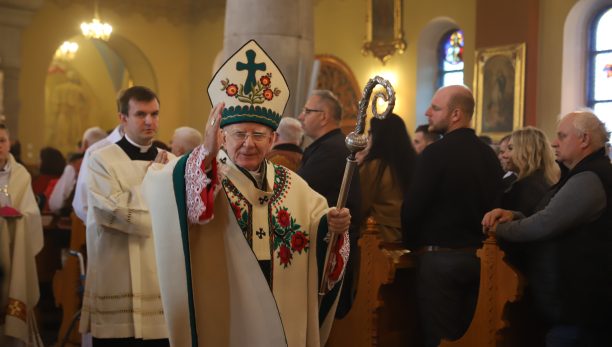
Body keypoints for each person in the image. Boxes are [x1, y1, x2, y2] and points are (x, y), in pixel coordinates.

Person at [142, 40, 350, 347]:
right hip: (228, 303)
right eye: (239, 134)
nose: (248, 143)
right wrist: (207, 154)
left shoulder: (294, 185)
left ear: (273, 139)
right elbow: (167, 196)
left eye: (258, 135)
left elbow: (321, 230)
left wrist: (334, 227)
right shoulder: (207, 173)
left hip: (283, 301)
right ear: (223, 136)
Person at [482, 111, 612, 347]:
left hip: (581, 308)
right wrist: (515, 215)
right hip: (576, 305)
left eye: (562, 136)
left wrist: (498, 229)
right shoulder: (582, 173)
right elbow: (553, 218)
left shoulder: (590, 177)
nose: (554, 142)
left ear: (584, 140)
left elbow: (544, 225)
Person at [401, 85, 503, 347]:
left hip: (439, 261)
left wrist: (412, 246)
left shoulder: (435, 154)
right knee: (470, 338)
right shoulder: (489, 156)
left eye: (435, 108)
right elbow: (496, 206)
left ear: (456, 114)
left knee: (439, 338)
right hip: (478, 259)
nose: (427, 113)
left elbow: (413, 207)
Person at [79, 86, 171, 346]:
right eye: (141, 114)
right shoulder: (100, 161)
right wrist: (154, 179)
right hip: (116, 278)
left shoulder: (171, 161)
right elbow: (113, 213)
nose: (150, 121)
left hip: (158, 283)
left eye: (154, 114)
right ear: (123, 118)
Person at [298, 89, 361, 318]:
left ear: (323, 116)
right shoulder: (329, 147)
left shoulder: (331, 151)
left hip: (330, 250)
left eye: (306, 111)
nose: (301, 116)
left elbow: (301, 194)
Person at [0, 124, 44, 346]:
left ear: (10, 143)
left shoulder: (21, 175)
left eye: (2, 140)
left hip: (14, 249)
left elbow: (31, 214)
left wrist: (18, 217)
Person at [359, 113, 416, 242]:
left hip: (379, 238)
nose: (368, 138)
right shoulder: (412, 164)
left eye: (370, 133)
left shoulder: (375, 166)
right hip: (408, 237)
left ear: (379, 136)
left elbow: (359, 204)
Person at [48, 127, 107, 215]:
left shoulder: (74, 168)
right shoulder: (112, 166)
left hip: (77, 223)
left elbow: (55, 204)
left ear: (86, 144)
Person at [72, 124, 124, 222]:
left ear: (85, 143)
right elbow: (83, 205)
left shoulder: (155, 152)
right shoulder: (94, 152)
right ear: (123, 117)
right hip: (106, 230)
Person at [32, 147, 66, 211]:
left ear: (46, 161)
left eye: (39, 159)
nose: (37, 162)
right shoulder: (63, 179)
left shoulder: (40, 181)